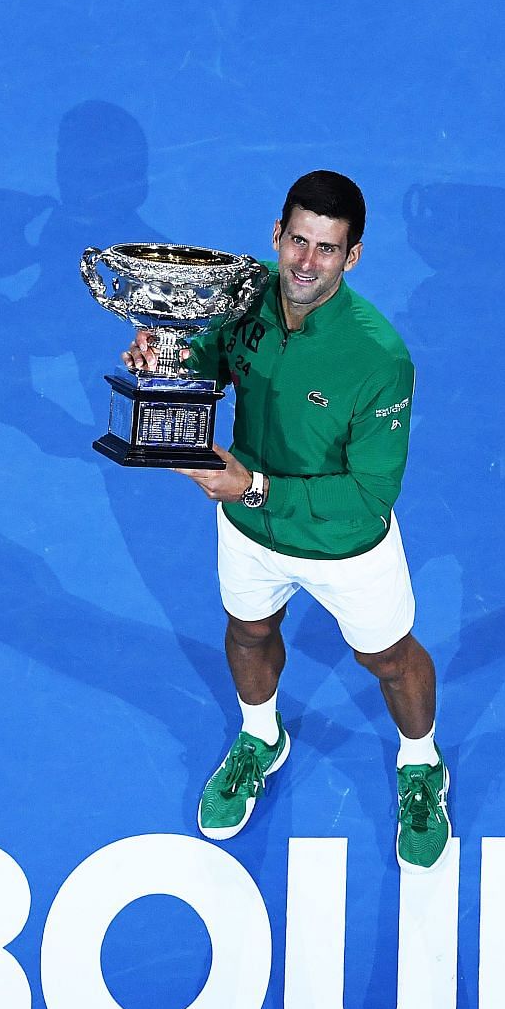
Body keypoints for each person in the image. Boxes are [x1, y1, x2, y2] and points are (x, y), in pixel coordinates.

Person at [123, 170, 448, 872]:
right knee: (247, 632)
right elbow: (214, 361)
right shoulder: (244, 300)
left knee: (388, 660)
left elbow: (367, 497)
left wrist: (255, 486)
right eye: (297, 241)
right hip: (247, 526)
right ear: (276, 234)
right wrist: (170, 360)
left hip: (342, 546)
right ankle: (260, 737)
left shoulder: (379, 358)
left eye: (326, 249)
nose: (305, 263)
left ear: (352, 256)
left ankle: (422, 765)